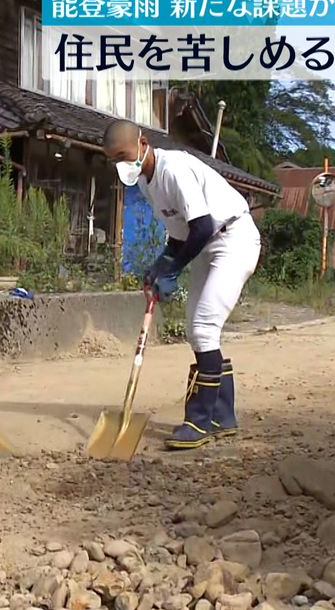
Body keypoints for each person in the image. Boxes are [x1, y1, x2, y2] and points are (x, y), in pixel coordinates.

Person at [103, 120, 262, 451]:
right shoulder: (146, 183)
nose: (120, 164)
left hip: (233, 238)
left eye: (123, 155)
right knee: (197, 328)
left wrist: (174, 269)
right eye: (113, 159)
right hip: (206, 244)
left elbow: (202, 226)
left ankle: (200, 421)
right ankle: (223, 416)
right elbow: (180, 235)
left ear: (142, 143)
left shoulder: (173, 169)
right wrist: (161, 263)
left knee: (204, 327)